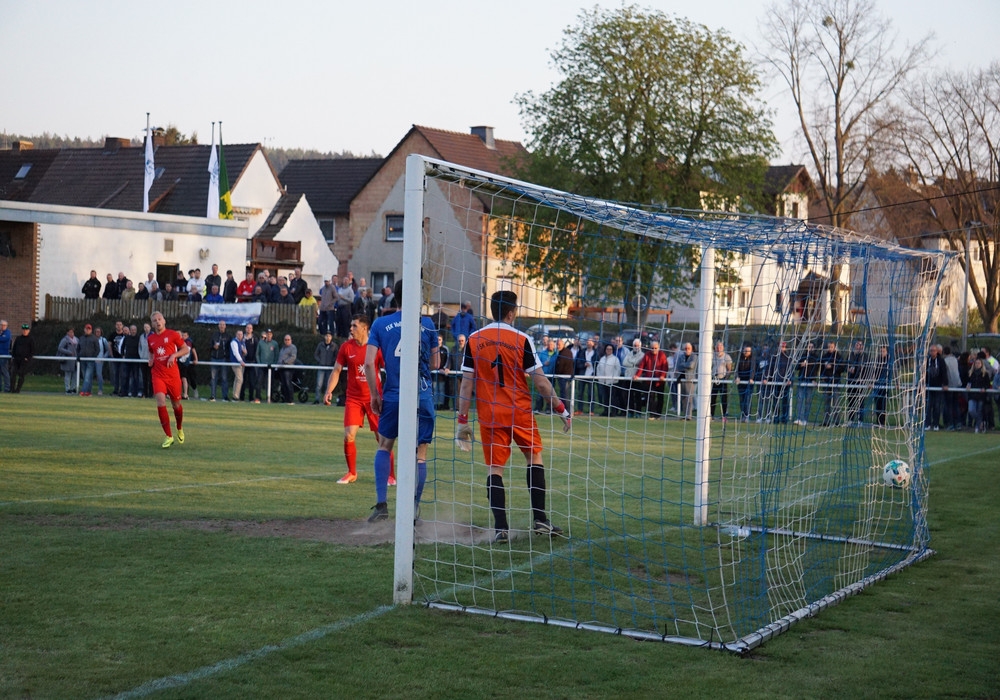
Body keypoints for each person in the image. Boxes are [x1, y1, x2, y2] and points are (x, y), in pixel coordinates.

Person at [456, 290, 570, 544]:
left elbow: (466, 385)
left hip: (490, 414)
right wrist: (561, 409)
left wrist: (462, 422)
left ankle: (501, 528)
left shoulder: (474, 339)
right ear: (511, 312)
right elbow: (541, 383)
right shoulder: (522, 339)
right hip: (519, 412)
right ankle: (540, 519)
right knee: (534, 457)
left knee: (495, 469)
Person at [365, 279, 438, 523]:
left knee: (385, 446)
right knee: (420, 454)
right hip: (423, 394)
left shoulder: (380, 323)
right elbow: (436, 364)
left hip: (394, 395)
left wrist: (375, 395)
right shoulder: (427, 324)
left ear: (394, 297)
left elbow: (368, 363)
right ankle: (413, 509)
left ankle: (381, 505)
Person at [324, 314, 396, 485]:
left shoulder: (377, 348)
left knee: (383, 439)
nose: (351, 329)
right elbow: (336, 370)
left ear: (365, 328)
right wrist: (328, 390)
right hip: (353, 399)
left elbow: (391, 370)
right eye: (351, 325)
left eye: (354, 326)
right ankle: (352, 473)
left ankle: (391, 476)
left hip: (374, 399)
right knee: (349, 435)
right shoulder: (346, 348)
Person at [146, 311, 189, 447]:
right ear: (152, 324)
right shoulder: (151, 338)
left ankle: (179, 428)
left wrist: (173, 355)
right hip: (158, 375)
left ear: (164, 321)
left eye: (159, 319)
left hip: (173, 376)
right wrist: (151, 359)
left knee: (176, 405)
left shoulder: (173, 335)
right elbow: (151, 351)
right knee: (160, 401)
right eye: (154, 320)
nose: (157, 322)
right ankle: (168, 436)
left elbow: (185, 349)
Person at [636, 340, 670, 419]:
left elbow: (665, 367)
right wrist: (637, 375)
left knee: (660, 397)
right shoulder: (647, 355)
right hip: (650, 379)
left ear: (658, 348)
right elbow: (642, 365)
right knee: (650, 397)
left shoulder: (662, 355)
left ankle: (658, 414)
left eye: (655, 348)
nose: (654, 349)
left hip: (660, 381)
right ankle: (652, 414)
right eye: (652, 348)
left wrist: (662, 376)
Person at [793, 340, 819, 426]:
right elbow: (796, 367)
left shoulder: (816, 357)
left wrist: (813, 379)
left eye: (812, 347)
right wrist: (801, 365)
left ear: (814, 348)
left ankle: (805, 419)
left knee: (808, 401)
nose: (810, 348)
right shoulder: (802, 356)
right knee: (800, 400)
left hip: (810, 381)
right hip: (802, 380)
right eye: (809, 347)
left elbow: (816, 369)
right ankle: (799, 418)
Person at [819, 341, 843, 426]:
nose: (830, 348)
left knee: (836, 402)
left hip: (835, 382)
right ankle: (826, 421)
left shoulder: (839, 356)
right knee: (826, 403)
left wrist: (832, 366)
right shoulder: (824, 357)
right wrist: (822, 376)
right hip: (826, 383)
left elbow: (842, 368)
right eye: (829, 347)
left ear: (835, 347)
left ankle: (837, 422)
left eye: (832, 347)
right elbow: (821, 368)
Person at [595, 343, 622, 416]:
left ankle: (614, 412)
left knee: (613, 398)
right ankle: (606, 411)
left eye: (610, 349)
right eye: (607, 349)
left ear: (612, 350)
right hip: (603, 381)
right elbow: (598, 368)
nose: (609, 350)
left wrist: (614, 379)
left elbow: (618, 370)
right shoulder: (602, 359)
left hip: (612, 382)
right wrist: (599, 377)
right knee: (605, 398)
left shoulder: (615, 359)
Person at [967, 357, 991, 433]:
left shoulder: (985, 374)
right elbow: (968, 382)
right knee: (971, 410)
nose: (977, 365)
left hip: (981, 396)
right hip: (972, 395)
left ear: (981, 364)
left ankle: (977, 427)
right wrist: (968, 386)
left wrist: (984, 388)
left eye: (978, 363)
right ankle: (981, 422)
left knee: (980, 410)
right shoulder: (971, 373)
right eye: (976, 363)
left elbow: (987, 384)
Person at [924, 343, 945, 431]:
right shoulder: (927, 360)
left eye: (934, 351)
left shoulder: (941, 361)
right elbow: (924, 373)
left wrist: (944, 383)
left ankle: (936, 424)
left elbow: (944, 372)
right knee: (928, 406)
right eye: (931, 351)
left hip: (938, 387)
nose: (932, 352)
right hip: (928, 386)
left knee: (937, 406)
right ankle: (927, 424)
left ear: (937, 352)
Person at [709, 341, 733, 420]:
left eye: (720, 346)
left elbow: (729, 369)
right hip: (714, 380)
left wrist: (726, 378)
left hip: (723, 380)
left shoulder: (727, 357)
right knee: (712, 398)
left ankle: (724, 416)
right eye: (717, 346)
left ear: (723, 347)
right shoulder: (712, 356)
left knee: (724, 398)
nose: (719, 348)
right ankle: (711, 415)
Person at [621, 338, 645, 416]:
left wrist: (631, 362)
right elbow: (624, 363)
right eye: (635, 345)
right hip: (628, 377)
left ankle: (638, 412)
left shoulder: (642, 355)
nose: (636, 347)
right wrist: (634, 364)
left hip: (637, 378)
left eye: (638, 345)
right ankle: (631, 412)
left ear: (640, 346)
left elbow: (638, 362)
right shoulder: (629, 353)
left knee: (637, 396)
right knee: (628, 396)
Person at [208, 320, 231, 401]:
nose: (221, 326)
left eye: (223, 325)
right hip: (214, 358)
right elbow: (209, 346)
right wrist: (213, 347)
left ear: (225, 326)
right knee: (213, 378)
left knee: (224, 378)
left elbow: (229, 348)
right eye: (220, 324)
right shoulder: (214, 335)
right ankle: (213, 396)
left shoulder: (228, 336)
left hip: (223, 359)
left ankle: (225, 396)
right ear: (218, 326)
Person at [313, 331, 338, 404]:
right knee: (319, 384)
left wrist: (332, 362)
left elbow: (336, 356)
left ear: (331, 337)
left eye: (329, 336)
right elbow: (316, 354)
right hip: (321, 367)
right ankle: (317, 399)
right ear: (324, 337)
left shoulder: (334, 346)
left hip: (329, 368)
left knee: (328, 385)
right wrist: (320, 361)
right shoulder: (320, 345)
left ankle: (327, 399)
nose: (328, 337)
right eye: (326, 336)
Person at [675, 343, 697, 420]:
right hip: (682, 379)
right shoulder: (681, 356)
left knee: (689, 397)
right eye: (686, 348)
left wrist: (683, 365)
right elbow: (678, 366)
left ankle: (689, 416)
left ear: (691, 349)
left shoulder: (694, 356)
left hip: (690, 379)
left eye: (688, 348)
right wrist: (685, 365)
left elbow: (691, 365)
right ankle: (685, 415)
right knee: (683, 398)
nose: (687, 350)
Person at [11, 323, 35, 393]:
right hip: (16, 359)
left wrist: (28, 358)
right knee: (13, 374)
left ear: (28, 331)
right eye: (23, 330)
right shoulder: (18, 338)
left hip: (24, 360)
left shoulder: (31, 339)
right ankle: (12, 389)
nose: (25, 331)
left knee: (21, 374)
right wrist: (13, 356)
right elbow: (14, 348)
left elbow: (32, 350)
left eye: (26, 330)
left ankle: (18, 389)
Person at [76, 324, 99, 396]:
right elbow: (78, 348)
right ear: (84, 329)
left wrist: (93, 357)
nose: (88, 330)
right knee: (86, 376)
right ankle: (88, 392)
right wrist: (78, 356)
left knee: (87, 376)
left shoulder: (94, 338)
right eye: (86, 329)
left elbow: (97, 349)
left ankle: (83, 391)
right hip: (82, 359)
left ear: (91, 330)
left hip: (90, 360)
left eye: (89, 329)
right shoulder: (81, 338)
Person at [257, 329, 279, 401]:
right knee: (259, 382)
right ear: (265, 334)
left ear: (272, 335)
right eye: (267, 334)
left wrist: (274, 364)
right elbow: (257, 354)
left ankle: (270, 398)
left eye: (270, 334)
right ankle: (258, 397)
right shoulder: (260, 343)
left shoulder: (275, 344)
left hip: (271, 367)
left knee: (270, 383)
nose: (269, 335)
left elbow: (276, 355)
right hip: (262, 366)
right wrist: (259, 363)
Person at [735, 344, 755, 421]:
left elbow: (753, 369)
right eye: (745, 350)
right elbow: (736, 369)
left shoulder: (752, 359)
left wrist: (751, 378)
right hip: (740, 382)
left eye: (748, 351)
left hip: (749, 382)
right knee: (742, 399)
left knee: (747, 398)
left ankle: (747, 415)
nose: (746, 352)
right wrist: (737, 377)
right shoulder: (739, 358)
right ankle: (743, 414)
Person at [57, 327, 79, 394]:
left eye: (72, 332)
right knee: (68, 375)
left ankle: (73, 388)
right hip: (68, 360)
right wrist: (69, 352)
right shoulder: (65, 340)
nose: (72, 333)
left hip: (75, 360)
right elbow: (60, 348)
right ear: (67, 333)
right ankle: (67, 389)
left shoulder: (77, 340)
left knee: (75, 375)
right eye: (70, 332)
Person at [277, 334, 298, 404]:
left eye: (288, 340)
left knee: (288, 383)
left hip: (288, 368)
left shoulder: (293, 347)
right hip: (281, 368)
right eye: (285, 340)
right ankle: (285, 399)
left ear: (291, 340)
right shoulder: (282, 348)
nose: (287, 341)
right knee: (284, 384)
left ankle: (290, 400)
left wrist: (285, 362)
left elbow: (293, 357)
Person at [242, 324, 260, 403]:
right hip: (243, 363)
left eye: (250, 328)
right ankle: (241, 397)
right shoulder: (242, 338)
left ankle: (251, 398)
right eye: (247, 328)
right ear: (245, 329)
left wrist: (254, 361)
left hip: (252, 363)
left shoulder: (255, 339)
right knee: (242, 380)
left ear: (252, 330)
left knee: (252, 381)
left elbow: (257, 351)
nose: (249, 329)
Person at [177, 330, 198, 400]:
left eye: (185, 335)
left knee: (184, 378)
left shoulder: (188, 342)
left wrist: (196, 359)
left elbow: (189, 351)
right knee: (180, 378)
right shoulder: (181, 342)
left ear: (188, 336)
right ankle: (180, 393)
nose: (183, 337)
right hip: (181, 362)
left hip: (184, 363)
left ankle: (185, 394)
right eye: (182, 335)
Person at [229, 329, 247, 400]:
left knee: (237, 379)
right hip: (236, 363)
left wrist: (245, 352)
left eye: (241, 334)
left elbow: (245, 352)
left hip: (241, 363)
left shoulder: (242, 342)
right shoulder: (234, 342)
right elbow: (235, 353)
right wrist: (241, 361)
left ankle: (235, 395)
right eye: (238, 334)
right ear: (236, 335)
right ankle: (236, 396)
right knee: (240, 379)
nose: (240, 336)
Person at [434, 334, 451, 410]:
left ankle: (441, 404)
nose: (438, 341)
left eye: (440, 339)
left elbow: (448, 359)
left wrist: (444, 368)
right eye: (437, 339)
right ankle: (435, 404)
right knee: (434, 389)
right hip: (434, 373)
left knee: (441, 389)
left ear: (442, 340)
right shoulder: (433, 348)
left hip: (442, 374)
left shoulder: (445, 349)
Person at [93, 326, 110, 395]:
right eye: (96, 331)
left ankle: (100, 389)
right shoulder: (92, 339)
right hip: (91, 359)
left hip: (99, 360)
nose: (98, 333)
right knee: (89, 375)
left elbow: (108, 350)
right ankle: (88, 390)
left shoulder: (103, 340)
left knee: (99, 375)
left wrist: (103, 358)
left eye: (99, 332)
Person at [0, 319, 10, 392]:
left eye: (4, 325)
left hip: (4, 355)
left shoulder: (7, 333)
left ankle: (7, 387)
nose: (2, 326)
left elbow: (4, 339)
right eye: (1, 325)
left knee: (4, 371)